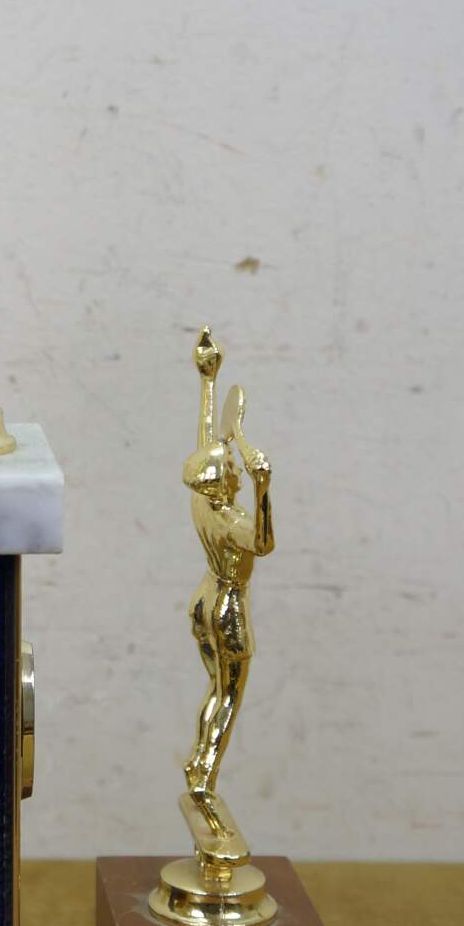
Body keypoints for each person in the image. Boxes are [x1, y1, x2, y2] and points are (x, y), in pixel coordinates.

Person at [183, 329, 274, 803]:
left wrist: (208, 381)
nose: (236, 467)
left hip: (204, 600)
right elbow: (264, 543)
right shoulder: (235, 521)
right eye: (234, 471)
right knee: (229, 697)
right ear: (224, 484)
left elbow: (208, 444)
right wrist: (263, 488)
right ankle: (205, 776)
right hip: (229, 610)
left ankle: (197, 761)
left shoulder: (202, 502)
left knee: (214, 688)